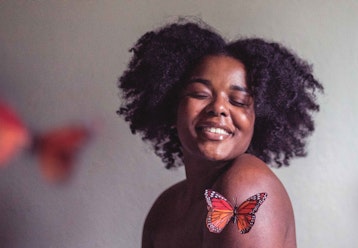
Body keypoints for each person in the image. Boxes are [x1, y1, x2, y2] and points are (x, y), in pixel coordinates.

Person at [117, 19, 322, 248]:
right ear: (172, 105)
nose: (219, 108)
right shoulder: (165, 207)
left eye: (238, 101)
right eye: (200, 94)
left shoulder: (246, 185)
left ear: (258, 119)